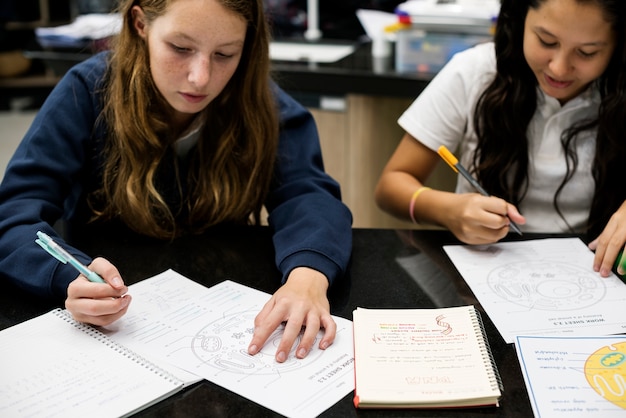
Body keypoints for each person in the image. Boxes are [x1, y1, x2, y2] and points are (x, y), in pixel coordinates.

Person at [0, 0, 352, 364]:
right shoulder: (85, 93)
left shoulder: (263, 105)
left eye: (225, 54)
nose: (200, 77)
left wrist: (308, 276)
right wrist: (66, 274)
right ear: (140, 24)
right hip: (113, 335)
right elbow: (13, 216)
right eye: (180, 48)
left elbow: (309, 196)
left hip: (222, 315)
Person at [375, 0, 626, 277]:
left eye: (586, 52)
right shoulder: (475, 71)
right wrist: (447, 210)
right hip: (484, 272)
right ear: (519, 21)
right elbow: (391, 186)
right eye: (546, 41)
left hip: (597, 274)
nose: (559, 68)